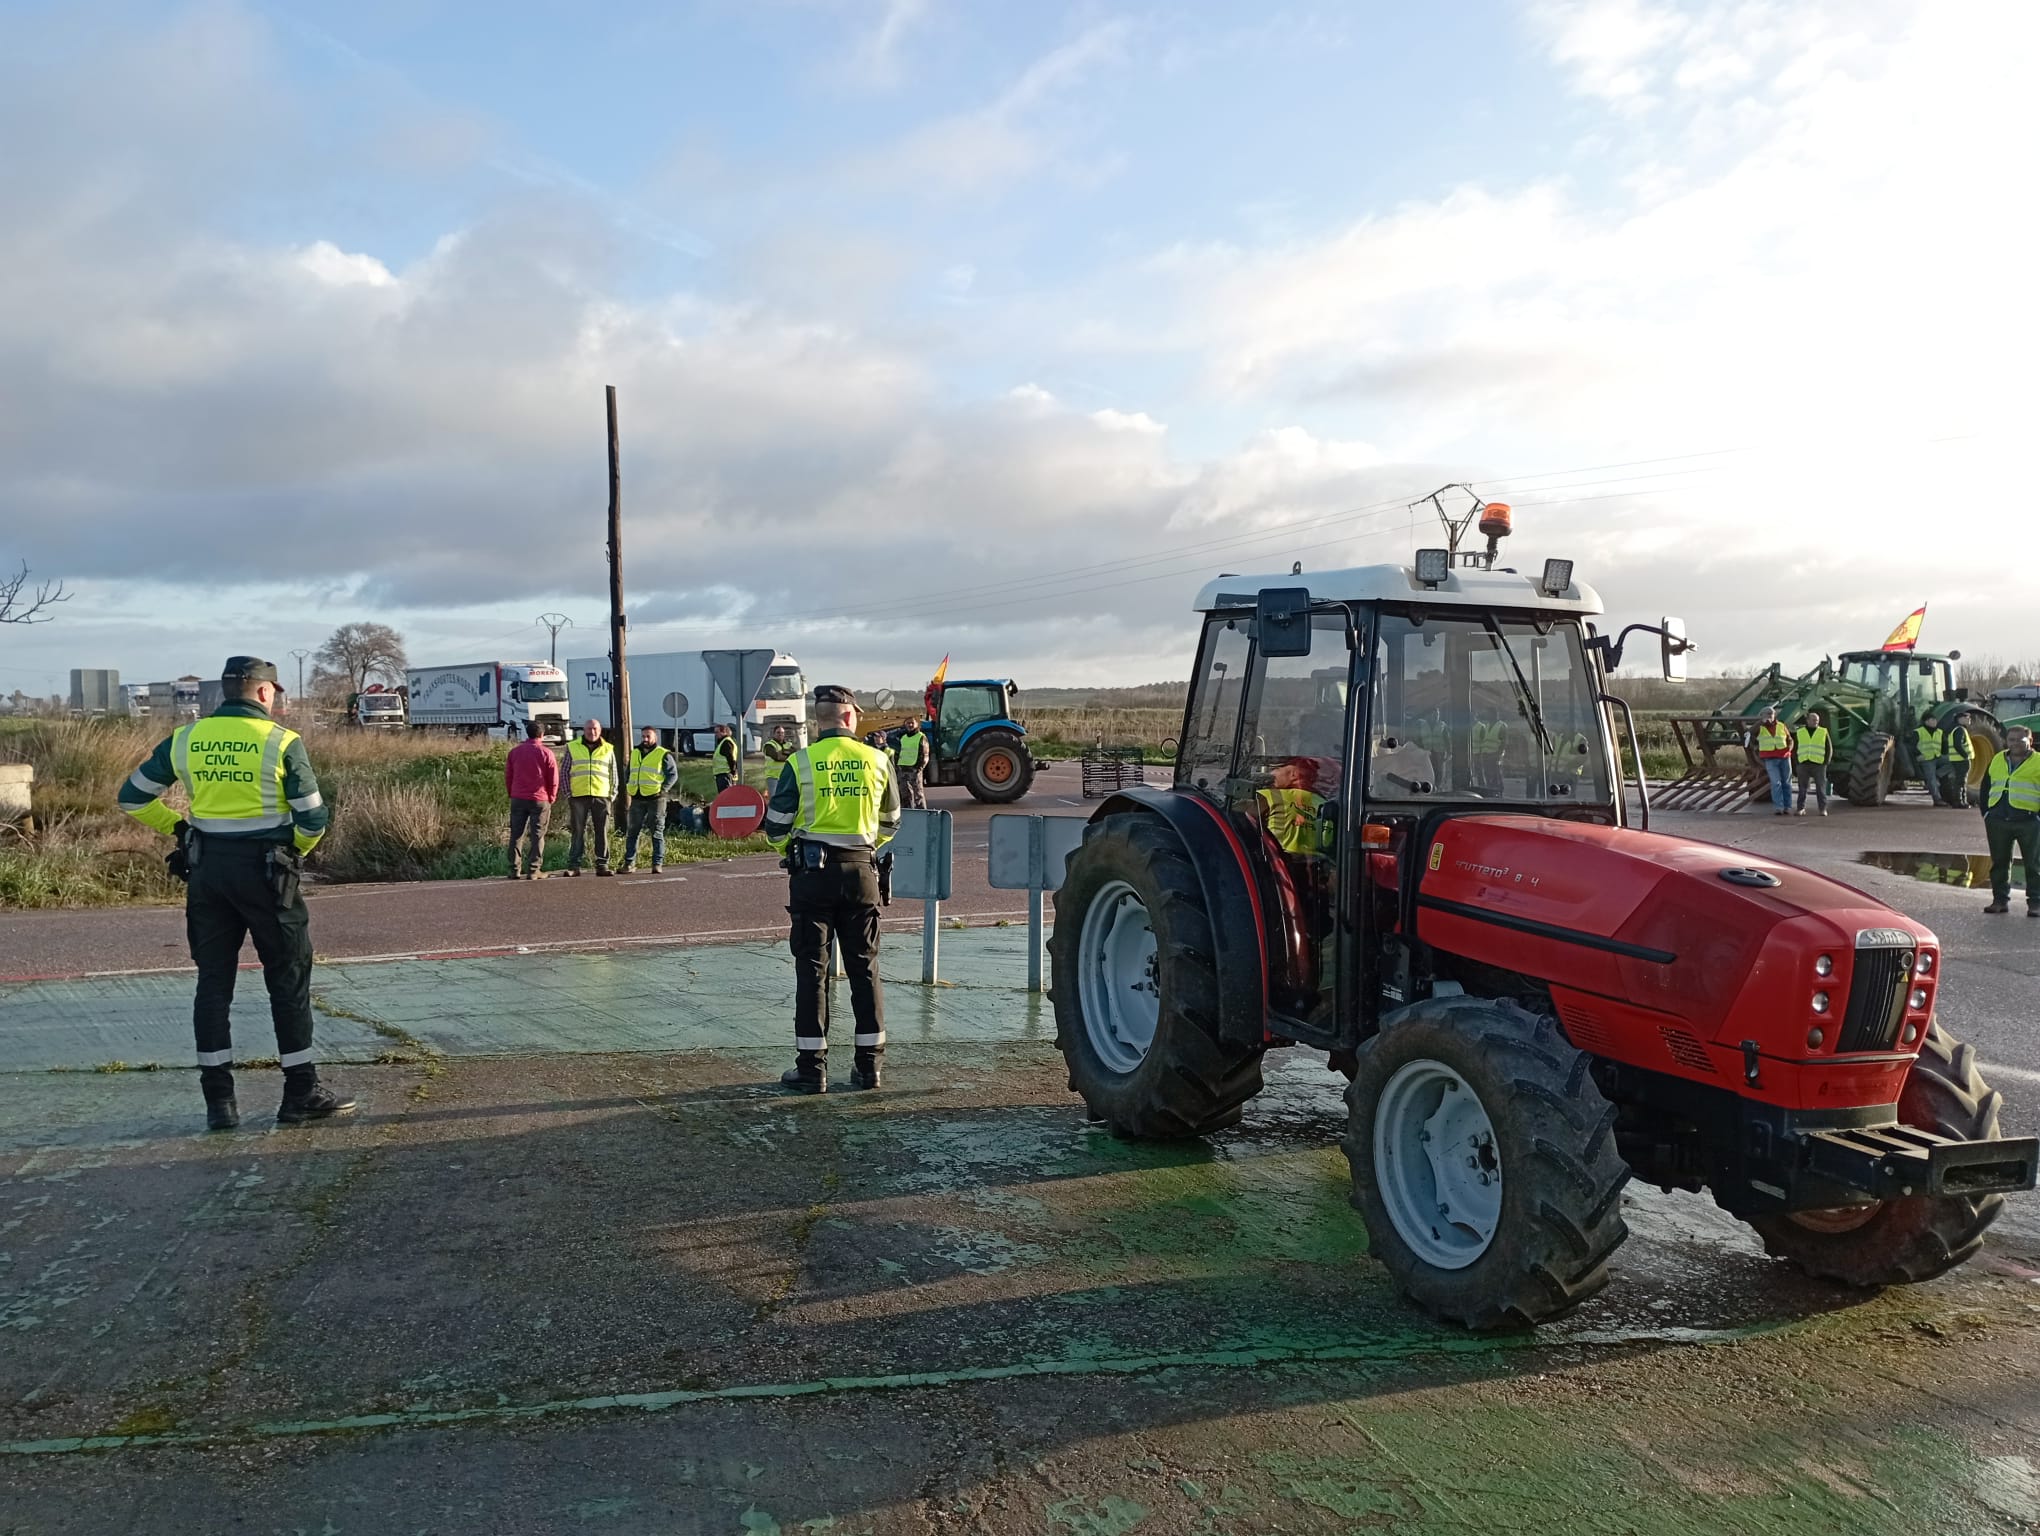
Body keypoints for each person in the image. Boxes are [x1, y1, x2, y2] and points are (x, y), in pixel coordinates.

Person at [117, 656, 354, 1129]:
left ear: (226, 692)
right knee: (287, 979)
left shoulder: (186, 739)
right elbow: (313, 818)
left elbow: (132, 797)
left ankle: (219, 1103)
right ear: (265, 693)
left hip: (207, 873)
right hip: (267, 874)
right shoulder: (281, 742)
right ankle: (300, 1093)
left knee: (213, 983)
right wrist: (294, 852)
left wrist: (180, 830)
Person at [763, 684, 901, 1093]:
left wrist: (792, 848)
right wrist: (866, 845)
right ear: (847, 717)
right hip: (861, 874)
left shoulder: (801, 762)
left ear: (820, 719)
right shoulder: (877, 760)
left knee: (812, 972)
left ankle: (811, 1071)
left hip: (811, 876)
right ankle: (869, 1068)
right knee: (865, 969)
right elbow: (892, 820)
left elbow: (775, 826)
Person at [1980, 725, 2040, 916]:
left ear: (2029, 742)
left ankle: (2035, 904)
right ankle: (1999, 901)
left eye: (2020, 740)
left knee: (2034, 864)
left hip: (2028, 821)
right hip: (1998, 820)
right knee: (1999, 862)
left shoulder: (2038, 762)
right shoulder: (1997, 759)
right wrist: (1987, 813)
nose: (2014, 743)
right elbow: (1985, 786)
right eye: (2011, 739)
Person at [505, 721, 560, 878]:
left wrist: (511, 792)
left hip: (518, 797)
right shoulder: (546, 753)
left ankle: (514, 869)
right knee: (537, 835)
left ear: (526, 733)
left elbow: (509, 775)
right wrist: (552, 796)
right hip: (539, 798)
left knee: (516, 834)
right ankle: (534, 869)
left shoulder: (515, 752)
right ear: (542, 735)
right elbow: (553, 778)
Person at [622, 725, 678, 873]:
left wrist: (663, 789)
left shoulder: (663, 754)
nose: (645, 739)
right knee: (633, 831)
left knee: (657, 831)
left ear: (655, 738)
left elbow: (673, 774)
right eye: (643, 736)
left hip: (656, 798)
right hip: (637, 798)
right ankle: (629, 863)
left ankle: (657, 863)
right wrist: (628, 784)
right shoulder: (635, 752)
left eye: (648, 736)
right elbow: (628, 772)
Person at [565, 718, 617, 876]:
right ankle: (574, 866)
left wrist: (612, 795)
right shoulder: (572, 747)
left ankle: (602, 865)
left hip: (601, 796)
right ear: (583, 730)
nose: (592, 732)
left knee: (601, 831)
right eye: (589, 729)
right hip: (578, 796)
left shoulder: (608, 748)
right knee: (578, 831)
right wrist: (568, 793)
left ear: (600, 731)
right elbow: (564, 772)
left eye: (595, 729)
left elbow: (613, 773)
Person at [1750, 707, 1793, 816]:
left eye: (1771, 714)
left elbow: (1789, 739)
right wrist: (1761, 722)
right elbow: (1750, 733)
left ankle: (1787, 806)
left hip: (1784, 757)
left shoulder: (1781, 726)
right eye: (1767, 714)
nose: (1769, 716)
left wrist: (1789, 748)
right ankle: (1779, 807)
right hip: (1770, 759)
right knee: (1775, 783)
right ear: (1762, 715)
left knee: (1786, 783)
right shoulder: (1760, 727)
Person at [1793, 710, 1832, 817]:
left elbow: (1829, 748)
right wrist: (1797, 761)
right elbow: (1795, 748)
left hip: (1819, 764)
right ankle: (1800, 808)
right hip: (1803, 763)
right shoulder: (1800, 732)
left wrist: (1826, 762)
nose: (1816, 722)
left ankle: (1822, 809)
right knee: (1802, 788)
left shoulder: (1823, 731)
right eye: (1814, 720)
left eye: (1817, 720)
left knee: (1820, 788)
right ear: (1808, 720)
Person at [1937, 719, 1973, 810]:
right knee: (1961, 781)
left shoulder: (1954, 729)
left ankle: (1959, 801)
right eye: (1967, 718)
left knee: (1959, 780)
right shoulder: (1960, 730)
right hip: (1961, 759)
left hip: (1956, 759)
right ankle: (1960, 801)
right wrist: (1965, 756)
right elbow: (1958, 745)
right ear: (1960, 719)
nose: (1969, 720)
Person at [894, 718, 928, 809]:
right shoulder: (904, 738)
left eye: (912, 723)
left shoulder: (921, 737)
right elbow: (900, 752)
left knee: (918, 795)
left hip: (914, 770)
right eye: (908, 723)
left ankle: (921, 815)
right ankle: (908, 813)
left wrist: (919, 768)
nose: (910, 725)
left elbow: (925, 754)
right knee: (904, 794)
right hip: (903, 770)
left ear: (917, 724)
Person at [1915, 718, 1946, 807]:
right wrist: (1918, 754)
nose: (1935, 722)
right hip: (1926, 759)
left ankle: (1938, 774)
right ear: (1926, 721)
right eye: (1932, 720)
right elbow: (1912, 746)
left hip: (1937, 757)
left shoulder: (1939, 732)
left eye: (1935, 720)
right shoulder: (1918, 732)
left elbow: (1945, 745)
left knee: (1954, 760)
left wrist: (1944, 753)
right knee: (1931, 779)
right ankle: (1937, 799)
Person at [712, 723, 740, 794]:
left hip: (726, 775)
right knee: (725, 798)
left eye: (717, 732)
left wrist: (733, 772)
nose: (715, 734)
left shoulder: (726, 743)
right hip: (723, 775)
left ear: (724, 732)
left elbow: (731, 758)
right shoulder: (723, 742)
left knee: (726, 797)